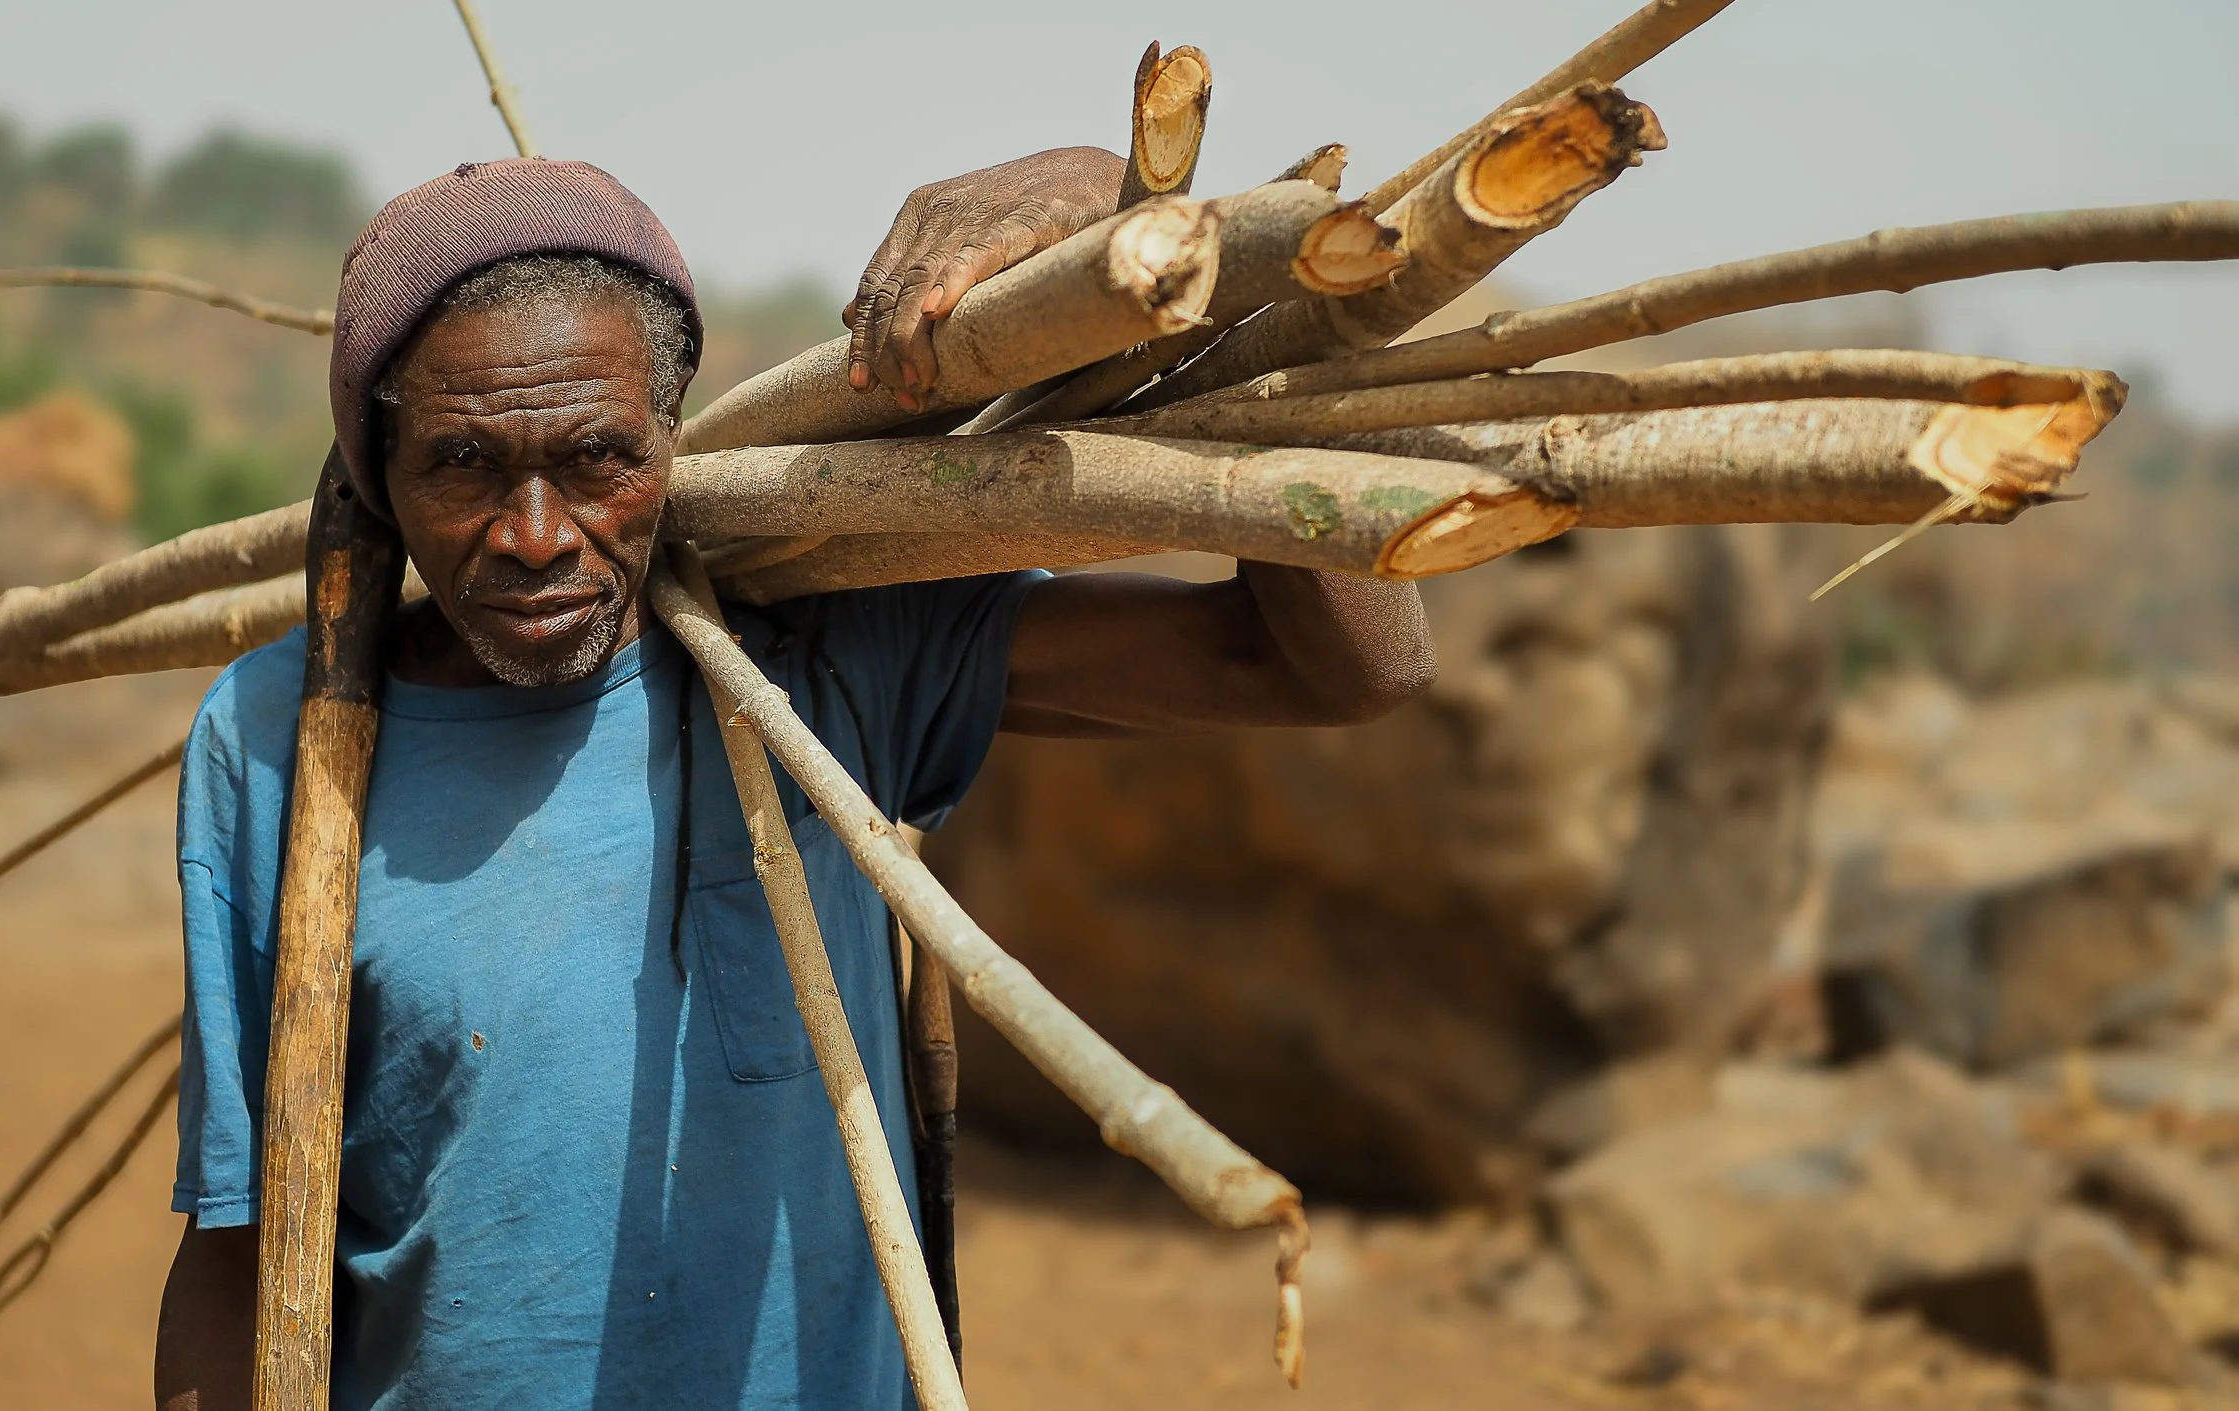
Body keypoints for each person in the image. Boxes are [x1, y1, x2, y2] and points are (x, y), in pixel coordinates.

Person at [153, 149, 1434, 1410]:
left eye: (598, 458)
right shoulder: (282, 737)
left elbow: (1328, 668)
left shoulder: (829, 651)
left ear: (673, 438)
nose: (535, 538)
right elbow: (237, 1243)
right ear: (381, 471)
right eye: (462, 465)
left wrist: (1187, 253)